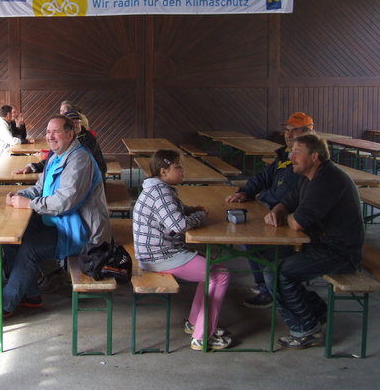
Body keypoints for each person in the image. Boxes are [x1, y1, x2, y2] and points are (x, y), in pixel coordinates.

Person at [0, 115, 111, 321]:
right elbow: (39, 188)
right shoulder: (56, 157)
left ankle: (6, 304)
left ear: (70, 134)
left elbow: (65, 201)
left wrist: (29, 204)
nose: (50, 136)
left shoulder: (80, 159)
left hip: (82, 231)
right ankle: (30, 295)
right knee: (12, 238)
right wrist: (19, 195)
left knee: (30, 248)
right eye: (48, 132)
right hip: (58, 222)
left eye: (56, 132)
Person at [262, 133, 364, 350]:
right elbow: (286, 203)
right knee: (270, 259)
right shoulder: (307, 176)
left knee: (276, 273)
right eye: (291, 152)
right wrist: (277, 211)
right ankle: (317, 311)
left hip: (341, 252)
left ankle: (306, 329)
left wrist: (289, 217)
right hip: (319, 244)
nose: (291, 157)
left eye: (297, 153)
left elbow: (297, 223)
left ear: (315, 156)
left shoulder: (327, 180)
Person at [133, 149, 231, 350]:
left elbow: (172, 211)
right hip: (159, 256)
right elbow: (178, 225)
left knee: (211, 266)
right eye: (178, 167)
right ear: (163, 171)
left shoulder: (159, 188)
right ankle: (202, 337)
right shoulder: (160, 192)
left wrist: (192, 210)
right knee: (219, 273)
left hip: (155, 253)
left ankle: (195, 323)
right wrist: (200, 217)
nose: (182, 171)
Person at [225, 112, 315, 309]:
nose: (288, 135)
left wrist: (262, 196)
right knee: (248, 237)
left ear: (308, 133)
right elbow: (263, 178)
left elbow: (285, 194)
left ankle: (271, 291)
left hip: (292, 219)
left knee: (258, 242)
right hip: (275, 211)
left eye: (294, 131)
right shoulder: (284, 155)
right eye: (287, 130)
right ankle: (264, 286)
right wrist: (246, 192)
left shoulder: (304, 161)